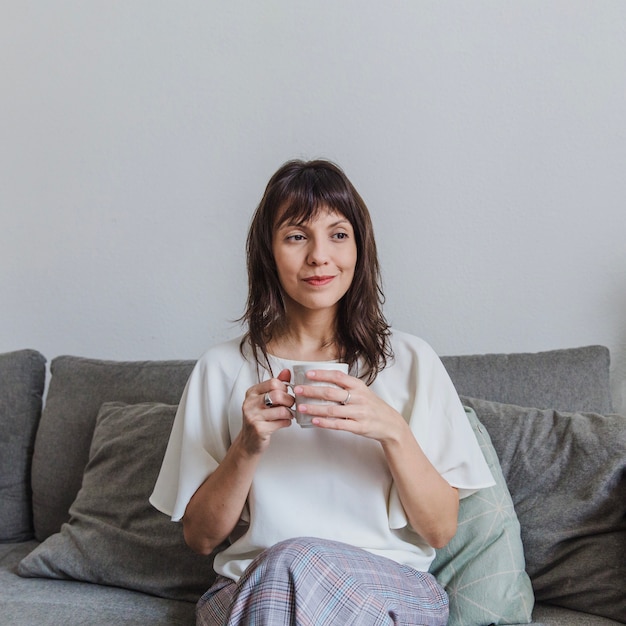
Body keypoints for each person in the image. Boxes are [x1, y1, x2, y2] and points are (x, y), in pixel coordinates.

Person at [150, 159, 494, 625]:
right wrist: (248, 445)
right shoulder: (222, 368)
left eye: (337, 234)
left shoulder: (410, 361)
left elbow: (439, 529)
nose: (318, 256)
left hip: (388, 587)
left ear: (359, 247)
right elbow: (201, 538)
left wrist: (391, 430)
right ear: (268, 252)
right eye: (296, 236)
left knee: (295, 561)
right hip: (251, 587)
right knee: (284, 568)